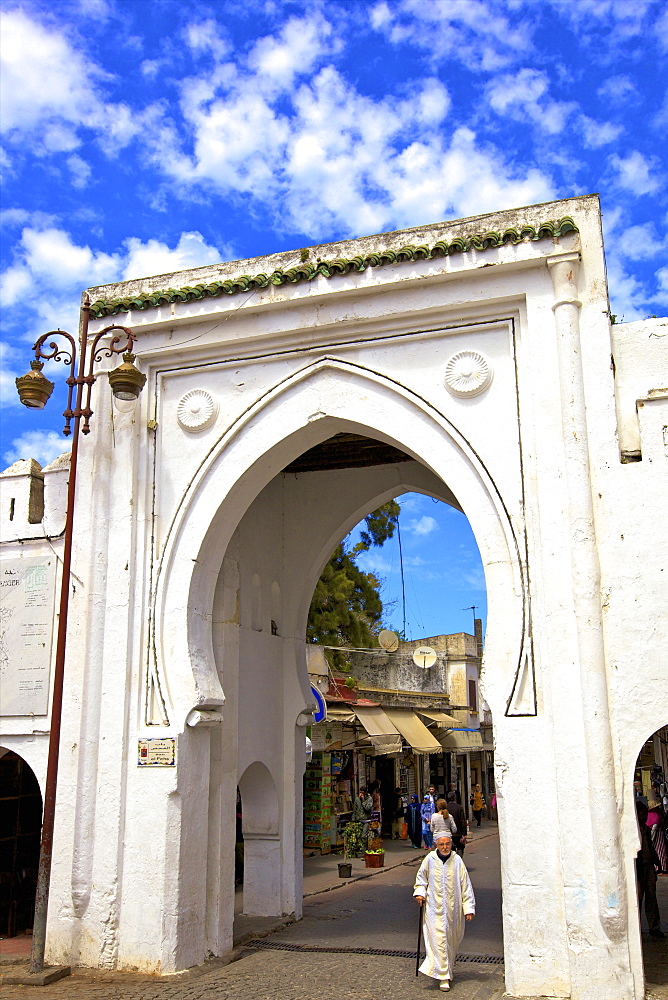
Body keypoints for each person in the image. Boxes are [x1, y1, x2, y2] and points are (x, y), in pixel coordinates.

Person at [413, 833, 475, 991]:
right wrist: (420, 892)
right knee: (438, 939)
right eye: (442, 844)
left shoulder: (457, 861)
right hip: (433, 908)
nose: (445, 847)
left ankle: (448, 968)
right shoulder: (429, 860)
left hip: (453, 910)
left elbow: (465, 885)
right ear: (436, 845)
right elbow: (421, 878)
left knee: (450, 940)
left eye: (447, 844)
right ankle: (443, 976)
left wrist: (468, 908)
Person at [636, 801, 665, 939]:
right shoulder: (635, 831)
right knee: (639, 898)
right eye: (643, 813)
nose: (646, 816)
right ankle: (637, 927)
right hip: (639, 869)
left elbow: (651, 849)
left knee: (651, 898)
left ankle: (654, 926)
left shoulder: (646, 830)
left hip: (648, 867)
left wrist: (657, 863)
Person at [647, 798, 667, 875]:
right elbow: (654, 828)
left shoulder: (650, 815)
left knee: (656, 850)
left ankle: (657, 867)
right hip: (657, 835)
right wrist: (652, 838)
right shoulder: (656, 816)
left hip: (654, 834)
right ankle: (661, 867)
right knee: (660, 851)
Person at [446, 792, 468, 856]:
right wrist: (464, 833)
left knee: (451, 849)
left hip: (449, 832)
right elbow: (462, 821)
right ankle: (458, 861)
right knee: (460, 848)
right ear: (455, 798)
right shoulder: (459, 807)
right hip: (458, 833)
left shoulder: (446, 808)